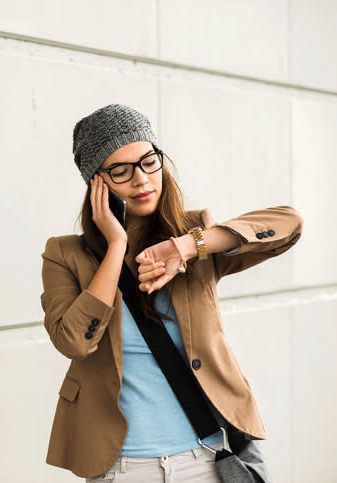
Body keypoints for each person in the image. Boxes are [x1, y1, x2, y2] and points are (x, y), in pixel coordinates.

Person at [40, 104, 302, 482]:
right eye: (120, 170)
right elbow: (75, 342)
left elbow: (289, 225)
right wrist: (115, 248)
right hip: (122, 467)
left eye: (149, 161)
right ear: (96, 182)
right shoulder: (66, 254)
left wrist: (186, 247)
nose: (141, 179)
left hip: (209, 458)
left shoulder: (195, 236)